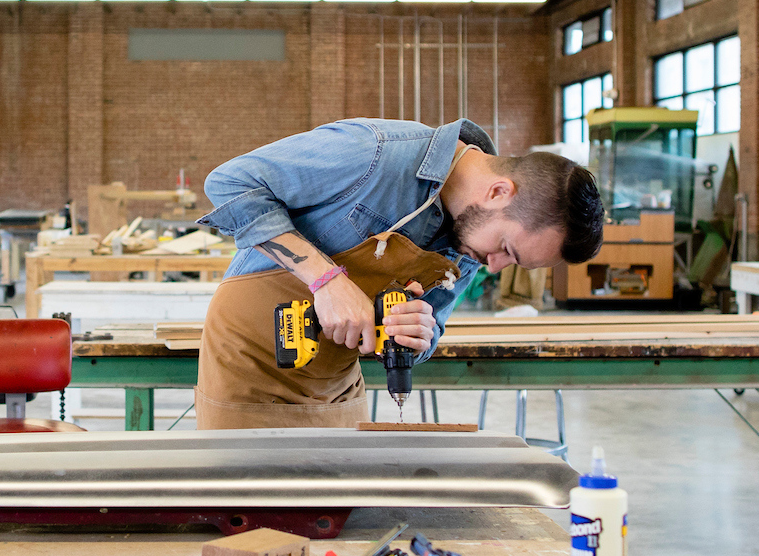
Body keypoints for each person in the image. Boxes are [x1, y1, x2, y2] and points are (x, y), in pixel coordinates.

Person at [192, 118, 605, 431]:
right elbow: (231, 183)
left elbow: (431, 326)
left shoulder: (469, 235)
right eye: (506, 250)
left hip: (336, 388)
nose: (493, 266)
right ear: (499, 193)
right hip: (249, 367)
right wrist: (326, 280)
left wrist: (419, 336)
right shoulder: (374, 153)